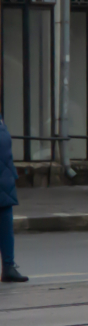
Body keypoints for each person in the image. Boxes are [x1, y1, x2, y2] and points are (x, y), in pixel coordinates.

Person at [0, 113, 27, 283]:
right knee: (5, 225)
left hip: (5, 181)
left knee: (6, 226)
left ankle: (9, 267)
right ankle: (8, 266)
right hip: (5, 180)